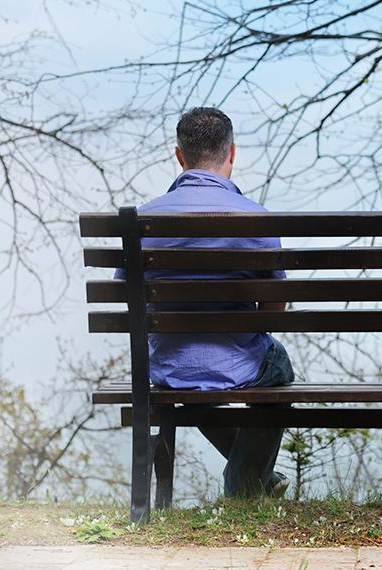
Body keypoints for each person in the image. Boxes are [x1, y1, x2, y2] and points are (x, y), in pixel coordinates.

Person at [117, 107, 294, 498]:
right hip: (238, 364)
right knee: (276, 368)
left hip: (167, 366)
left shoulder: (142, 220)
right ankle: (245, 487)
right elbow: (274, 307)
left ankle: (255, 481)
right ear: (233, 153)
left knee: (194, 373)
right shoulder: (257, 219)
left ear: (179, 157)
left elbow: (128, 301)